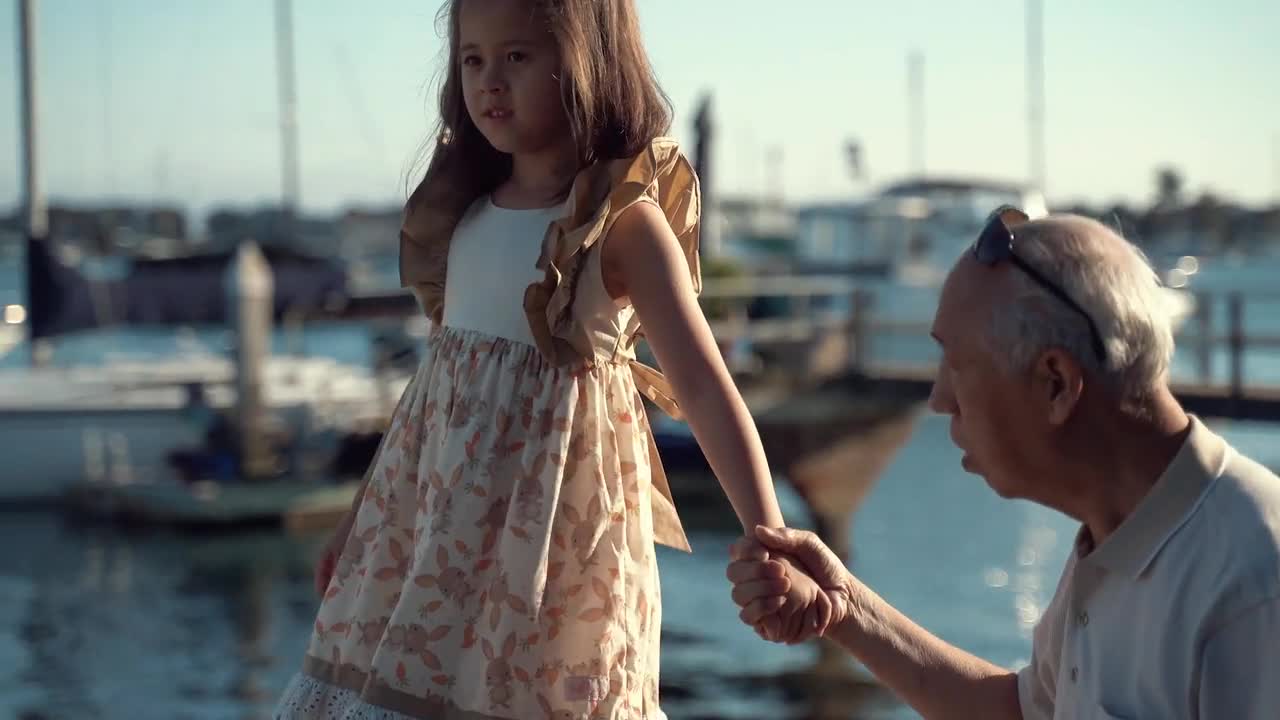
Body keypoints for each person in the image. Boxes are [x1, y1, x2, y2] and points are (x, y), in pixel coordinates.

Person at [273, 1, 829, 717]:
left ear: (586, 61)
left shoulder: (622, 222)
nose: (490, 83)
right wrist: (358, 521)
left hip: (550, 546)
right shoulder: (465, 211)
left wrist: (770, 534)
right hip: (436, 535)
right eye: (473, 60)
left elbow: (705, 386)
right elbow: (431, 398)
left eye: (517, 58)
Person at [725, 209, 1280, 719]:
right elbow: (1024, 713)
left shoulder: (1253, 585)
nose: (939, 398)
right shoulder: (1123, 532)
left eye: (958, 364)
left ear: (1056, 383)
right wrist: (848, 611)